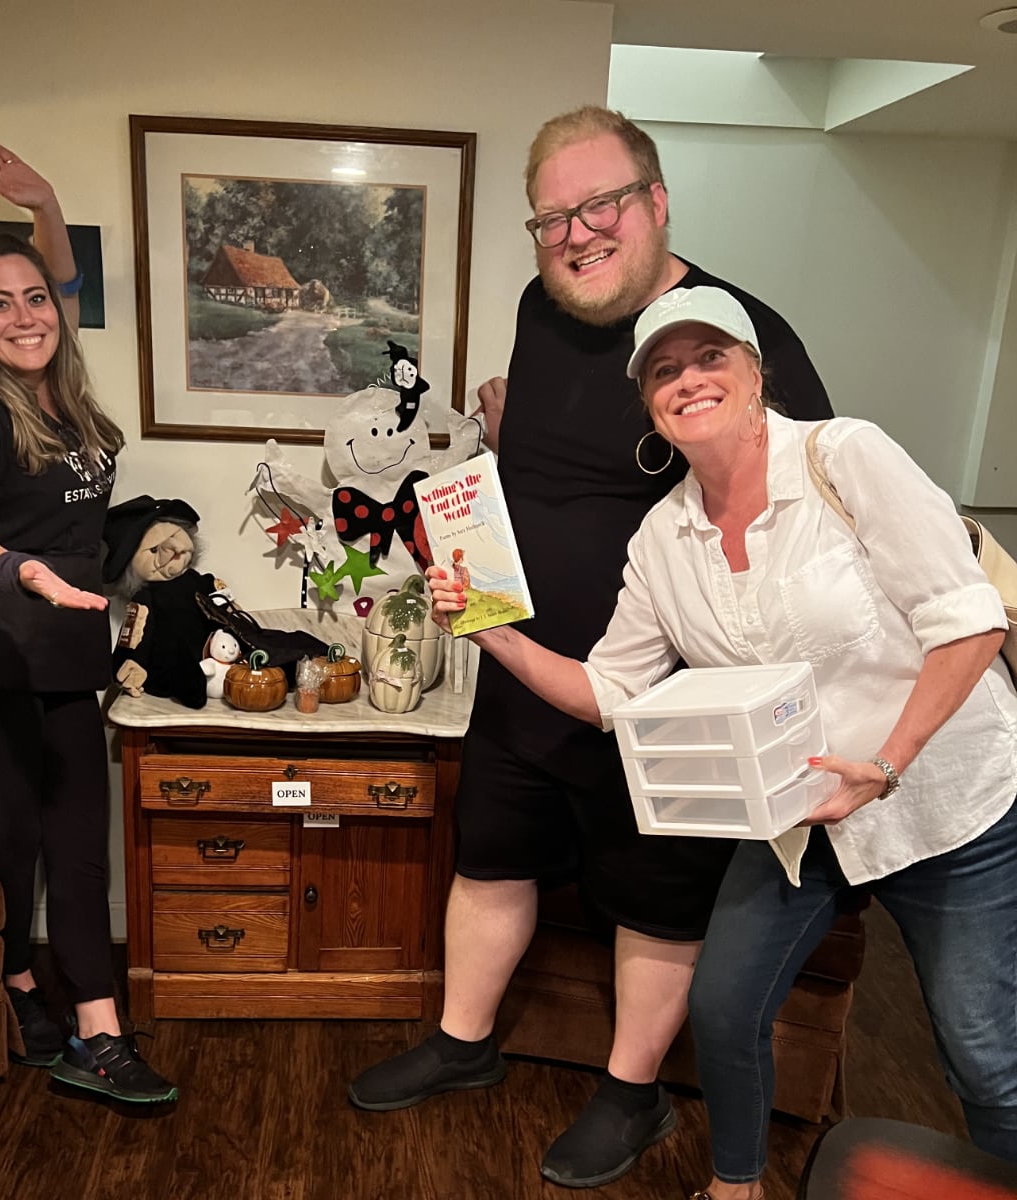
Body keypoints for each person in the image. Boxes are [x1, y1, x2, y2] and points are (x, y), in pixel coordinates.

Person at [426, 284, 1017, 1200]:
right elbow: (612, 690)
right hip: (798, 821)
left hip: (950, 807)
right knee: (725, 1002)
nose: (689, 381)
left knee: (983, 1052)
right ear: (648, 402)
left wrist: (887, 763)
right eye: (665, 370)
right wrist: (491, 630)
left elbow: (969, 624)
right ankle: (735, 1187)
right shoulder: (665, 537)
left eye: (711, 359)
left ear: (755, 373)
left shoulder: (845, 457)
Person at [348, 106, 833, 1189]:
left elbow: (801, 504)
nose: (576, 233)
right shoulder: (541, 306)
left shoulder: (742, 337)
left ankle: (632, 1096)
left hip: (662, 696)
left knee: (653, 895)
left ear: (657, 204)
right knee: (491, 857)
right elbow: (547, 461)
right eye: (553, 216)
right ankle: (464, 1044)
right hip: (522, 664)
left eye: (601, 205)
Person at [0, 134, 177, 1104]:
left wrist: (47, 204)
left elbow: (58, 273)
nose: (25, 313)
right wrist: (33, 574)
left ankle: (98, 1030)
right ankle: (20, 985)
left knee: (79, 840)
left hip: (59, 647)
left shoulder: (56, 386)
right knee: (12, 837)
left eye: (34, 298)